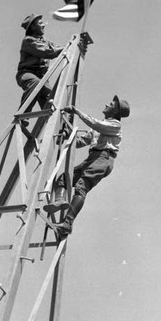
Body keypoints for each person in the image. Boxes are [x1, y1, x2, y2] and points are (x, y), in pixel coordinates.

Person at [43, 95, 130, 239]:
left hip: (104, 158)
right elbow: (81, 141)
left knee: (81, 186)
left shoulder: (115, 125)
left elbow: (95, 124)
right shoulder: (100, 126)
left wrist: (77, 112)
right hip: (92, 158)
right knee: (64, 179)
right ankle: (59, 201)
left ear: (115, 111)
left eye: (111, 104)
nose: (106, 104)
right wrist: (67, 136)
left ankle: (67, 225)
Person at [16, 13, 64, 115]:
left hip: (42, 78)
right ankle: (23, 115)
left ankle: (59, 127)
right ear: (33, 27)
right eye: (40, 23)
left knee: (52, 99)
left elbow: (58, 47)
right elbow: (47, 52)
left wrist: (73, 44)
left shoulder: (45, 41)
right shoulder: (28, 41)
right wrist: (65, 48)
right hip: (27, 74)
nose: (44, 25)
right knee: (35, 83)